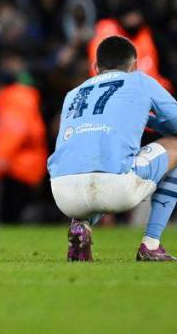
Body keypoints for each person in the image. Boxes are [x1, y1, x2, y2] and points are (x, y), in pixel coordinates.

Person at [49, 35, 177, 262]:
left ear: (96, 67)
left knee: (91, 156)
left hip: (63, 193)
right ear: (135, 65)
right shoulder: (140, 81)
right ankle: (151, 244)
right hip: (115, 185)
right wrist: (150, 121)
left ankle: (81, 226)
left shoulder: (73, 94)